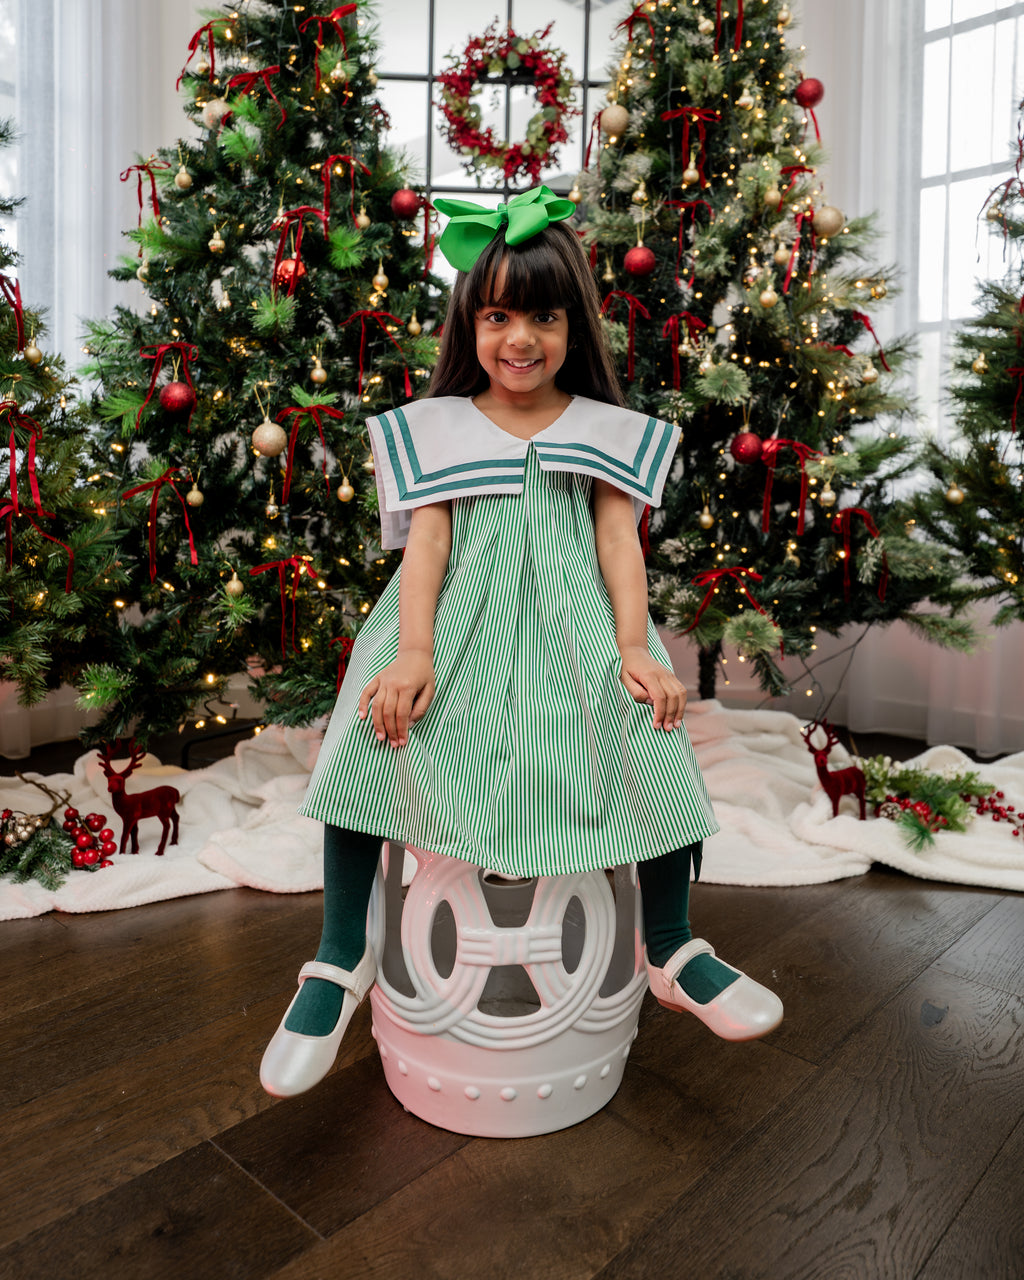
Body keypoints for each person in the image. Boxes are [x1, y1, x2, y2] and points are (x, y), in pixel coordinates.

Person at [260, 186, 782, 1098]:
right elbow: (428, 546)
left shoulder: (605, 431)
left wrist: (635, 647)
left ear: (574, 324)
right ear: (470, 324)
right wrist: (412, 652)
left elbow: (618, 542)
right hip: (452, 625)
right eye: (497, 316)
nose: (520, 339)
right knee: (373, 731)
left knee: (654, 733)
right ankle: (341, 956)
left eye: (543, 316)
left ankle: (671, 946)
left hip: (575, 627)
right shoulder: (440, 427)